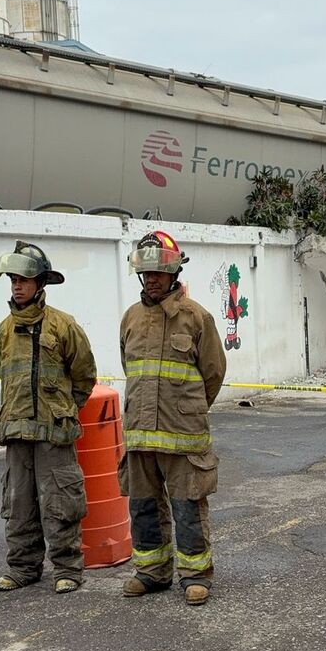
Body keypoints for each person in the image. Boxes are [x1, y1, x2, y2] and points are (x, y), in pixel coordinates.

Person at [118, 230, 227, 606]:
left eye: (159, 272)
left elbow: (213, 374)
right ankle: (151, 572)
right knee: (143, 507)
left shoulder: (196, 318)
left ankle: (196, 575)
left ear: (174, 272)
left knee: (187, 505)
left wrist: (188, 410)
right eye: (146, 272)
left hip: (183, 434)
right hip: (139, 435)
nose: (152, 278)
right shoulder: (130, 318)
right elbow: (131, 369)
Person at [0, 241, 97, 594]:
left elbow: (84, 376)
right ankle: (22, 567)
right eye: (13, 279)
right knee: (18, 503)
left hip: (53, 432)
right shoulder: (5, 329)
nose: (17, 286)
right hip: (17, 430)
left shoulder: (63, 326)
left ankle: (67, 568)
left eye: (24, 279)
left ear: (40, 284)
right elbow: (5, 374)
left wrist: (63, 410)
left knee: (60, 500)